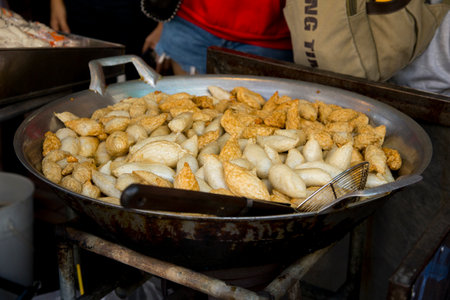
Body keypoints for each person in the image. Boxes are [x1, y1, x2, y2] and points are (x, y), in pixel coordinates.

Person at [142, 0, 293, 75]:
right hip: (192, 23)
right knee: (185, 115)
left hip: (270, 36)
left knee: (257, 123)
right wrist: (161, 21)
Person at [50, 0, 157, 76]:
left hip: (136, 9)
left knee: (140, 74)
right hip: (81, 8)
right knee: (86, 76)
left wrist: (165, 25)